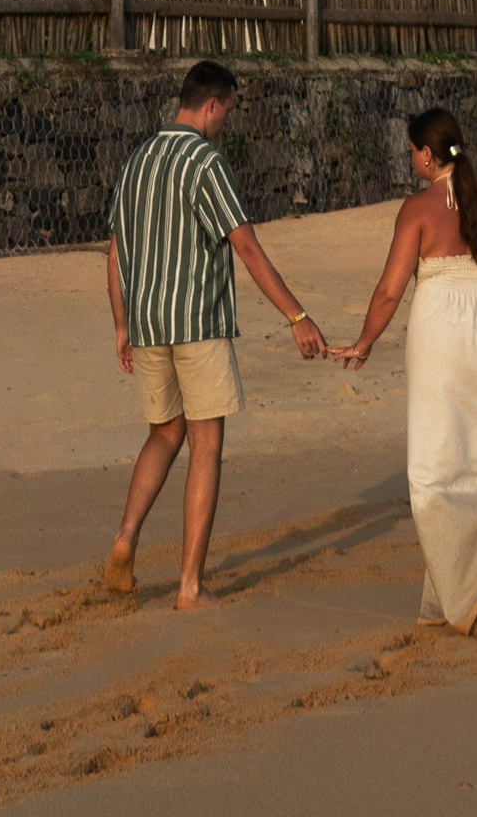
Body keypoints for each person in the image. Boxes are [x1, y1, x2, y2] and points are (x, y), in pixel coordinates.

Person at [102, 57, 329, 608]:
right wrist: (297, 317)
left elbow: (114, 253)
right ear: (210, 104)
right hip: (198, 324)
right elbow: (245, 246)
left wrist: (121, 324)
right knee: (206, 443)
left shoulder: (138, 159)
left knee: (163, 434)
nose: (227, 119)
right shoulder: (205, 162)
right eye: (227, 109)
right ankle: (189, 586)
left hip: (149, 322)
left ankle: (126, 538)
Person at [335, 104, 477, 642]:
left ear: (428, 155)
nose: (411, 161)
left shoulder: (419, 209)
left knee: (435, 473)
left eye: (412, 152)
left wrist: (363, 343)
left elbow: (389, 290)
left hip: (442, 341)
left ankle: (472, 586)